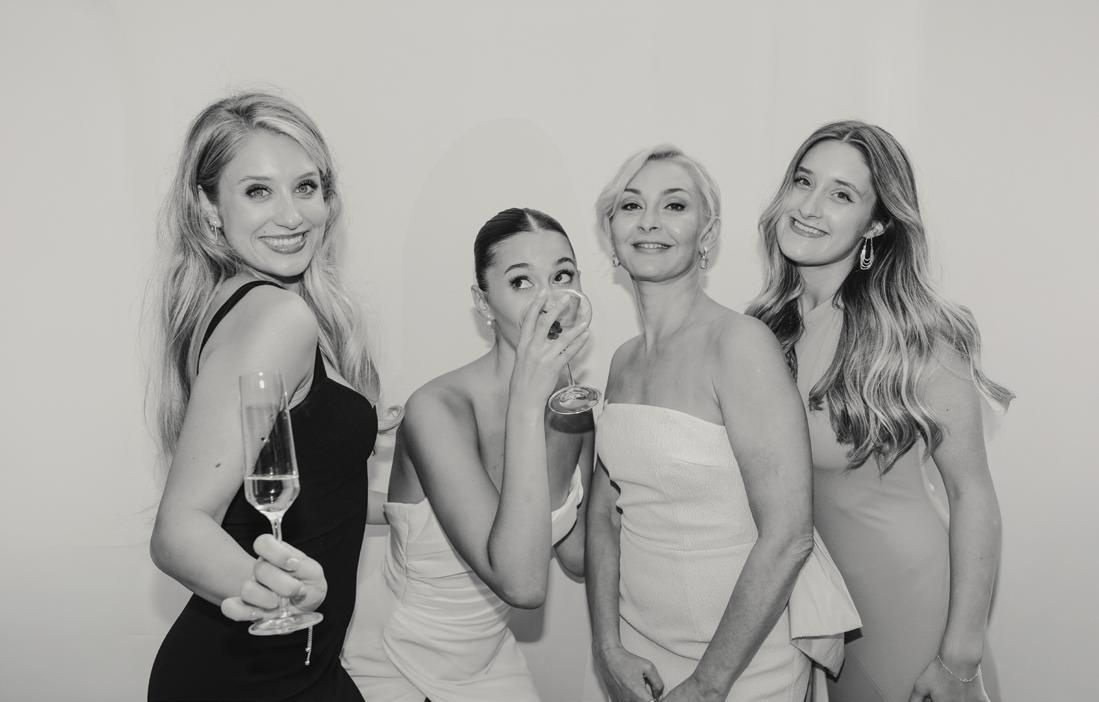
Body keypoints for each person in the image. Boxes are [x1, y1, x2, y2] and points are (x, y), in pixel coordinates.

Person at [747, 120, 1012, 702]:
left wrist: (960, 658)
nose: (809, 207)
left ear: (876, 222)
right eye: (803, 181)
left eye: (841, 194)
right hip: (809, 618)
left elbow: (972, 493)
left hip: (905, 614)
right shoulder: (760, 332)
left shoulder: (914, 336)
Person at [584, 146, 859, 702]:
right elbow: (604, 516)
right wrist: (608, 647)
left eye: (674, 205)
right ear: (611, 231)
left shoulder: (740, 345)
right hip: (640, 656)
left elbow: (789, 536)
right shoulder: (622, 361)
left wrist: (709, 685)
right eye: (631, 205)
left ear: (706, 233)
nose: (649, 221)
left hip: (741, 667)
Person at [147, 92, 379, 701]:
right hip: (257, 678)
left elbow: (313, 498)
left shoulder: (230, 303)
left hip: (293, 666)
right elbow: (178, 530)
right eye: (258, 191)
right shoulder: (276, 316)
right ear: (208, 208)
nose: (292, 215)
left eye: (306, 187)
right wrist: (284, 594)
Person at [342, 207, 595, 702]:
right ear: (483, 302)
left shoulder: (572, 408)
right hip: (393, 656)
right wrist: (527, 403)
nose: (550, 301)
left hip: (486, 660)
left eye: (562, 276)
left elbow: (578, 555)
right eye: (521, 282)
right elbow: (522, 585)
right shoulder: (437, 409)